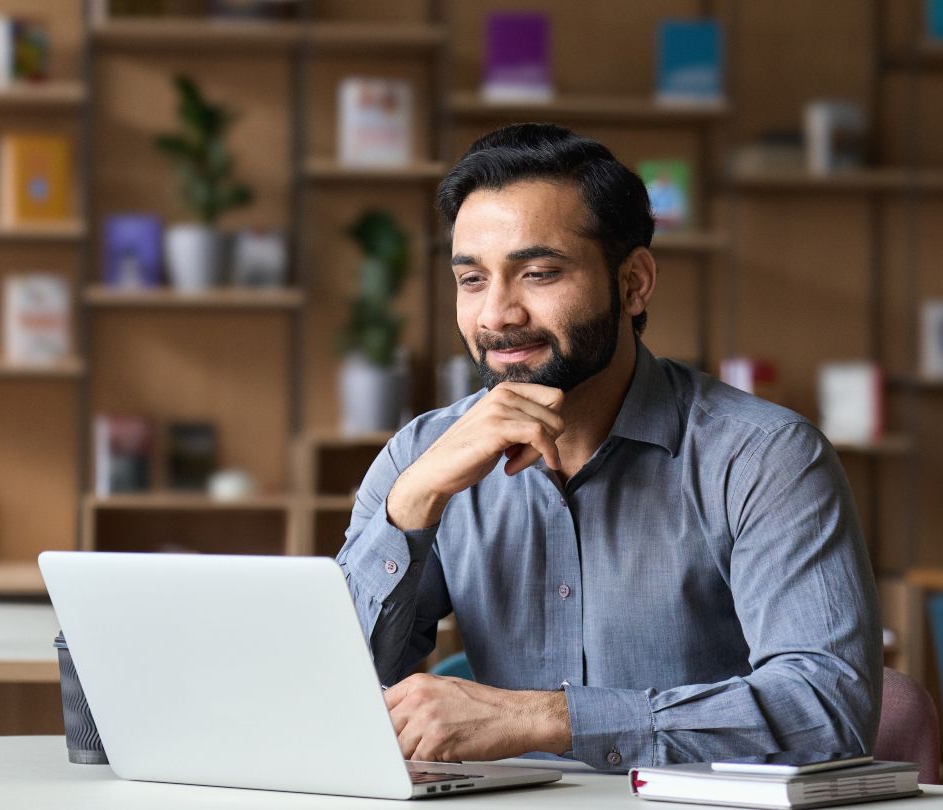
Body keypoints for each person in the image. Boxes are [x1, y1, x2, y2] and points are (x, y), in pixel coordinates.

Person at [335, 123, 881, 771]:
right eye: (473, 280)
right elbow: (324, 697)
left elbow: (828, 709)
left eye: (537, 273)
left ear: (634, 283)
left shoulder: (765, 457)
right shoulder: (420, 456)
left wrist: (549, 718)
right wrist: (412, 506)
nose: (496, 316)